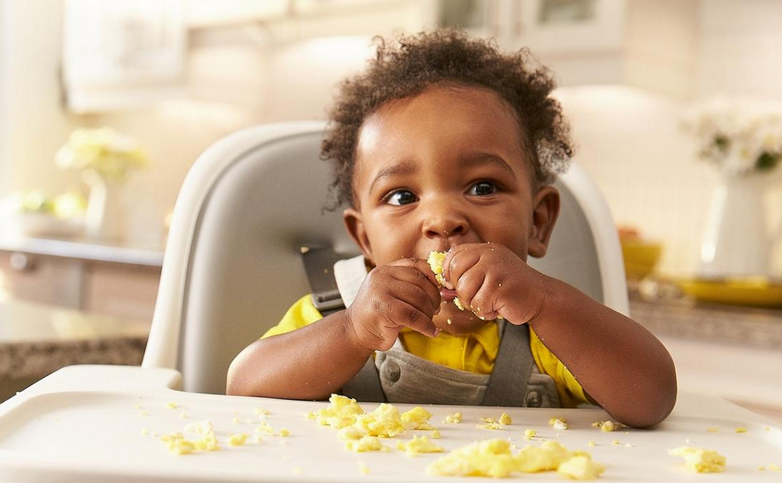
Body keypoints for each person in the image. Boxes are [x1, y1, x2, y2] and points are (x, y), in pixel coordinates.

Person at [227, 30, 676, 428]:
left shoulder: (551, 330)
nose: (442, 220)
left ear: (538, 222)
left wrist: (544, 301)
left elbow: (652, 397)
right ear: (363, 239)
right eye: (402, 196)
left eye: (483, 187)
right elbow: (242, 387)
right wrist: (352, 334)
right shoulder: (338, 313)